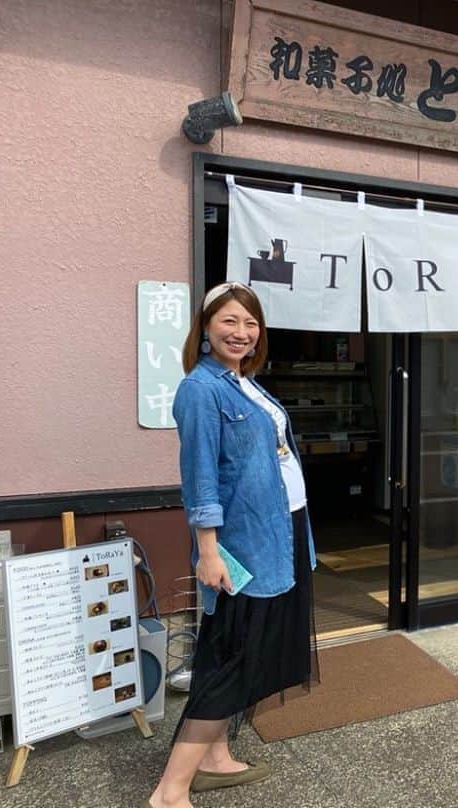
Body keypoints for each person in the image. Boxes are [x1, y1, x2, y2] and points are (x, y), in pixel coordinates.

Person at [146, 282, 318, 808]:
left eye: (250, 323)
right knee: (229, 659)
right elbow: (199, 478)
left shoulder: (245, 383)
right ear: (205, 328)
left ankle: (216, 756)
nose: (242, 333)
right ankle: (170, 791)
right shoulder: (201, 390)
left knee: (238, 653)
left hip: (280, 534)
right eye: (229, 322)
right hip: (242, 545)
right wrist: (210, 551)